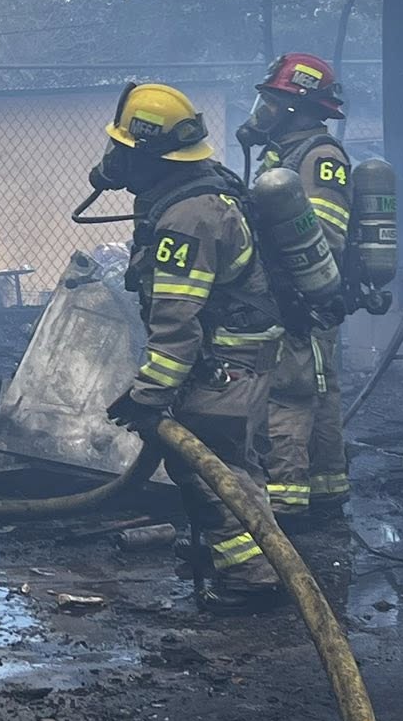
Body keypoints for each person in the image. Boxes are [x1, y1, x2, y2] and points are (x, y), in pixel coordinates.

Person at [91, 83, 285, 609]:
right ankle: (255, 559)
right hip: (242, 355)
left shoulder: (188, 217)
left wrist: (148, 394)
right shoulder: (200, 191)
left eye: (125, 149)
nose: (117, 160)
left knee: (208, 471)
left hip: (224, 362)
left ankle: (253, 579)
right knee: (234, 466)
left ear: (151, 153)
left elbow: (178, 322)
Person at [237, 52, 353, 518]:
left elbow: (326, 235)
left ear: (297, 108)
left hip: (300, 296)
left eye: (273, 100)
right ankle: (326, 494)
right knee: (319, 390)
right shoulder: (285, 154)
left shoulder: (320, 157)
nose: (262, 109)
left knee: (290, 393)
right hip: (300, 293)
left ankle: (285, 507)